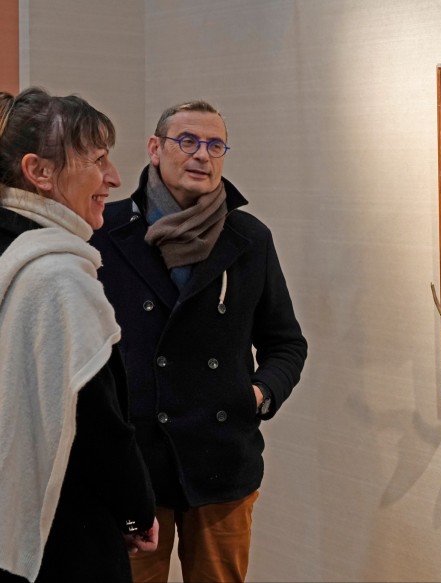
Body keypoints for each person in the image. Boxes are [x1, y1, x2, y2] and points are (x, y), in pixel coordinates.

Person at [90, 99, 308, 583]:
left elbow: (286, 343)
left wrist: (258, 394)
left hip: (222, 461)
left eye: (214, 145)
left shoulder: (248, 237)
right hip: (133, 464)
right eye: (187, 141)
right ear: (155, 148)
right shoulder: (105, 232)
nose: (202, 155)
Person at [0, 88, 158, 583]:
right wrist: (136, 510)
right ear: (39, 172)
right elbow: (98, 425)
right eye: (97, 160)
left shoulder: (13, 250)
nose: (114, 178)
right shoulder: (58, 277)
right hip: (63, 534)